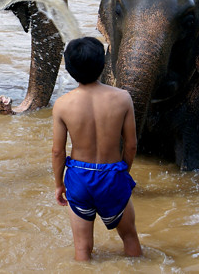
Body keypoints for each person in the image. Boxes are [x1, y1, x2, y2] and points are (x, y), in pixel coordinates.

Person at [51, 36, 142, 260]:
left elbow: (57, 152)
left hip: (79, 178)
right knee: (129, 237)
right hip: (113, 175)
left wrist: (59, 184)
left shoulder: (62, 104)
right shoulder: (122, 98)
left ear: (70, 69)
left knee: (83, 248)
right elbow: (131, 145)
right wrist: (123, 174)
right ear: (103, 64)